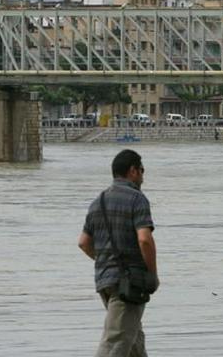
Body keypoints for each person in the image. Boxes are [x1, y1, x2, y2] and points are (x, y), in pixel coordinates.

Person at [78, 149, 158, 357]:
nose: (143, 176)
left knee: (132, 339)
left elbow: (83, 243)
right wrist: (152, 273)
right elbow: (144, 239)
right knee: (115, 344)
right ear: (133, 171)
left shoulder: (98, 201)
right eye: (142, 170)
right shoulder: (137, 199)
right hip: (130, 283)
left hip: (105, 282)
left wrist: (106, 261)